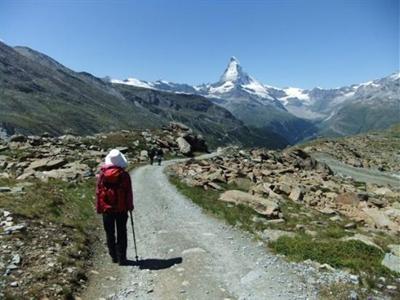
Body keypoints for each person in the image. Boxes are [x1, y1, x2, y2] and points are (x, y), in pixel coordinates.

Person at [96, 149, 133, 265]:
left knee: (109, 232)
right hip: (121, 208)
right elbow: (128, 192)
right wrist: (130, 206)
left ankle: (113, 256)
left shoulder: (102, 175)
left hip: (107, 209)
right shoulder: (124, 175)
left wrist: (99, 208)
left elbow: (98, 192)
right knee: (122, 232)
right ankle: (122, 258)